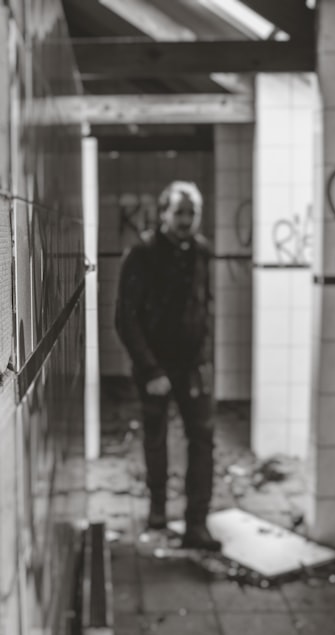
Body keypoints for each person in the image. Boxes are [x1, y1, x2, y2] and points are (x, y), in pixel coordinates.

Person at [115, 180, 221, 552]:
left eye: (191, 214)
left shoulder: (203, 252)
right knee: (156, 439)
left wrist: (206, 360)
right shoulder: (143, 254)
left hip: (193, 365)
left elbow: (205, 309)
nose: (185, 220)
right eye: (179, 213)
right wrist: (151, 370)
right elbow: (125, 320)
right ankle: (157, 509)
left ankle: (197, 524)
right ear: (163, 214)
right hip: (155, 368)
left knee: (203, 440)